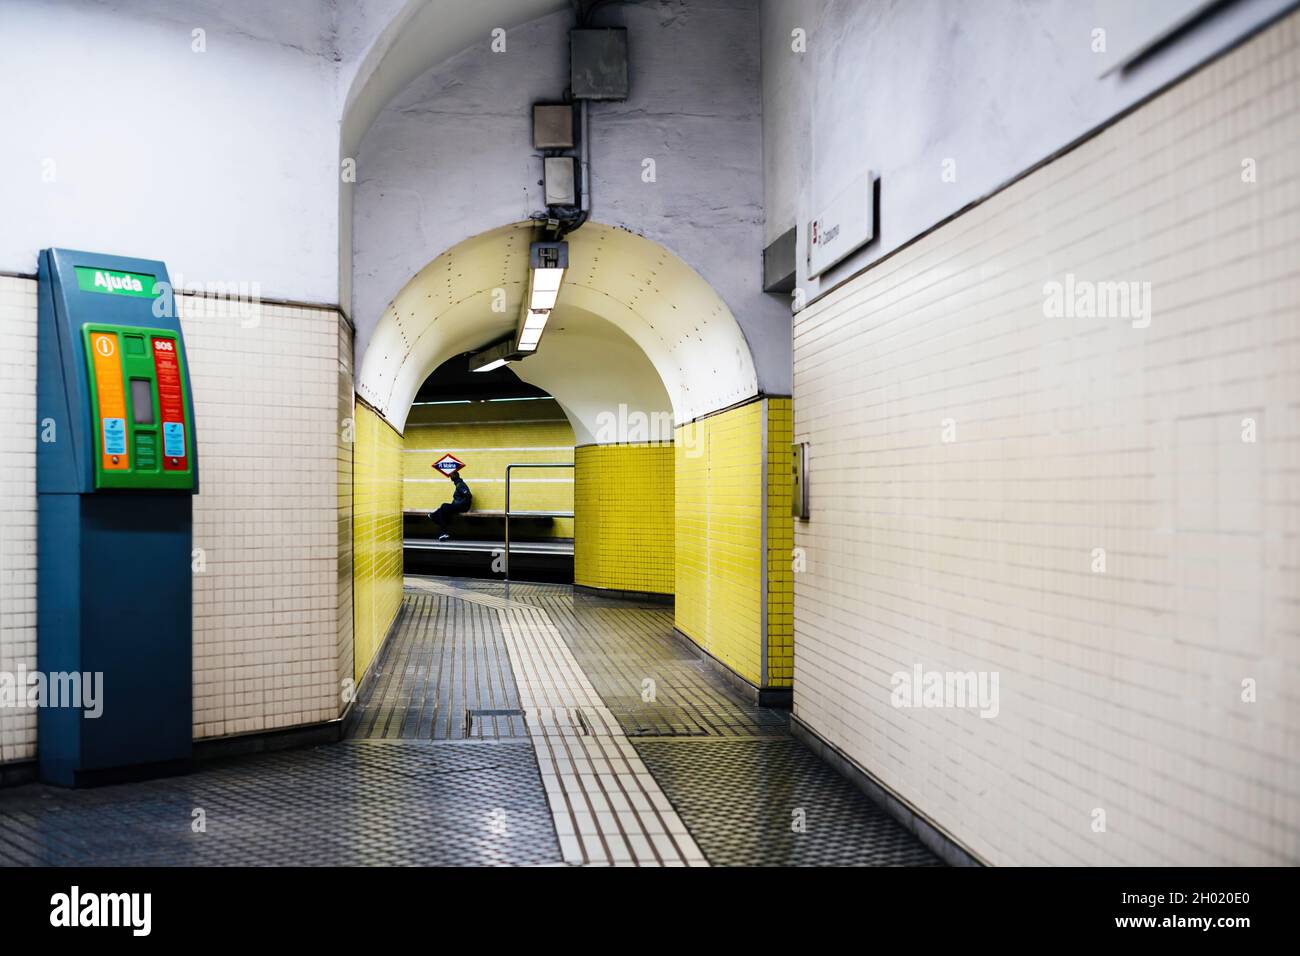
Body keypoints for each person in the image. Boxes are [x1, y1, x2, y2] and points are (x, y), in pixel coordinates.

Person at [429, 467, 472, 540]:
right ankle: (443, 533)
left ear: (455, 476)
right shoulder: (458, 484)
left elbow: (469, 496)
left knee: (444, 506)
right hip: (458, 507)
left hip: (461, 507)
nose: (450, 476)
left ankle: (433, 516)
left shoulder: (460, 485)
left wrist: (460, 504)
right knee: (443, 512)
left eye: (451, 475)